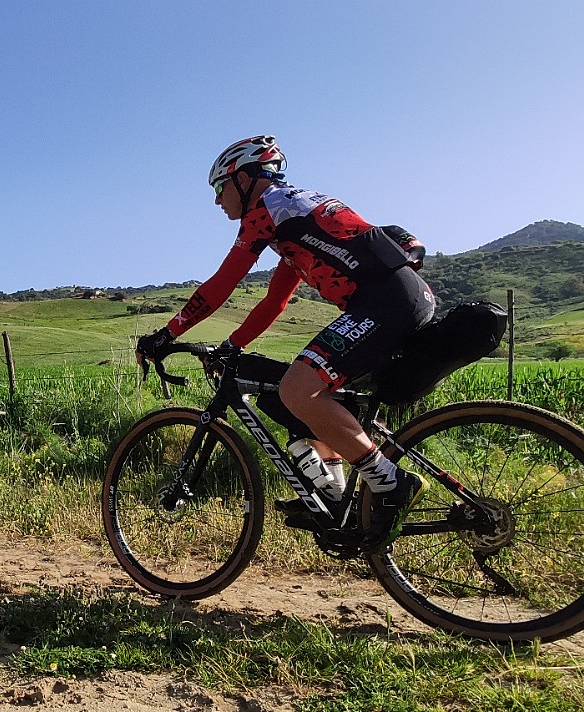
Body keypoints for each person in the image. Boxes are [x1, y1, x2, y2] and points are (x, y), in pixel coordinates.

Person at [134, 135, 436, 551]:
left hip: (387, 301)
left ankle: (390, 481)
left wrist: (168, 334)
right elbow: (274, 302)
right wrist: (232, 345)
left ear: (243, 179)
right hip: (400, 297)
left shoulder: (267, 211)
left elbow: (223, 283)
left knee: (298, 388)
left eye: (220, 189)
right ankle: (333, 490)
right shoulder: (294, 223)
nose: (218, 201)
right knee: (302, 392)